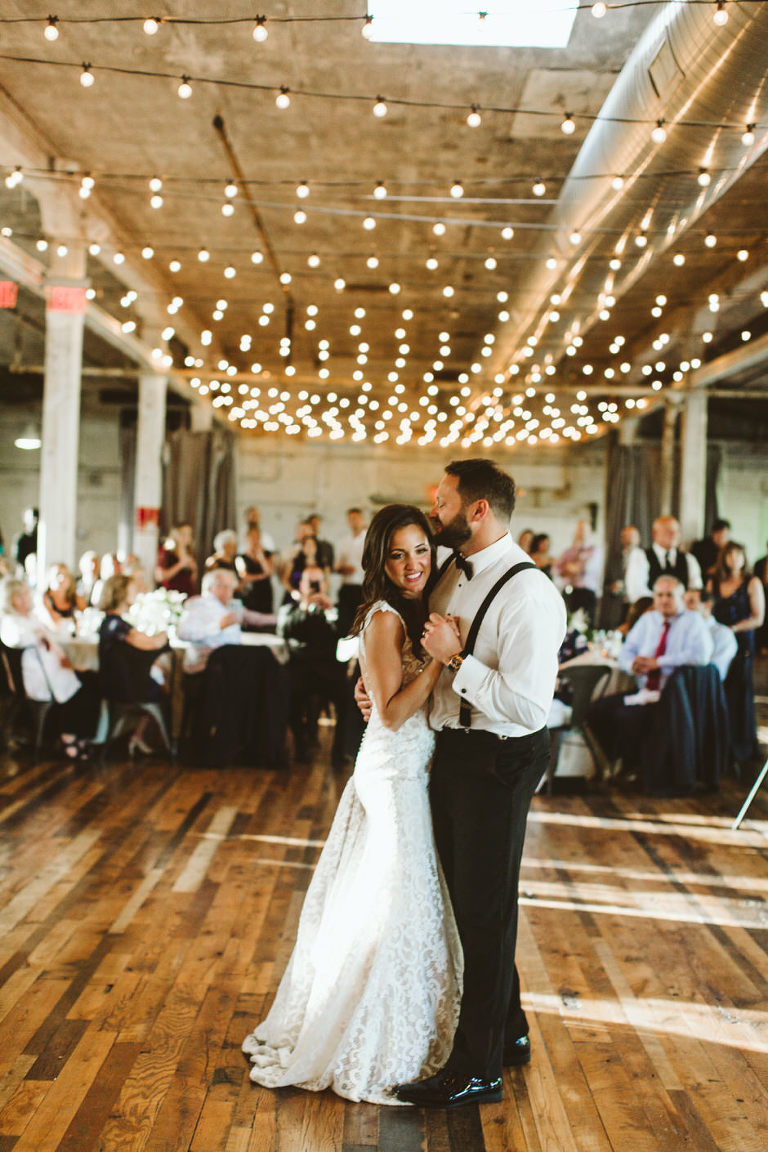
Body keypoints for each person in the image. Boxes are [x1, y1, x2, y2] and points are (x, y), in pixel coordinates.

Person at [242, 504, 462, 1103]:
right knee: (398, 897)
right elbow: (389, 713)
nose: (413, 563)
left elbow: (380, 691)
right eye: (398, 554)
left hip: (406, 764)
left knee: (390, 895)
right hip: (393, 772)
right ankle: (374, 1037)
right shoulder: (385, 617)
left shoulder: (408, 611)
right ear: (380, 561)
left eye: (421, 550)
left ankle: (391, 1022)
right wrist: (442, 659)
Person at [383, 459, 566, 1108]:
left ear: (479, 510)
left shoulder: (529, 595)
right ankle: (509, 1031)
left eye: (444, 502)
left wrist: (454, 659)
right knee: (470, 905)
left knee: (483, 912)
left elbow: (528, 707)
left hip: (499, 759)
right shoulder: (448, 572)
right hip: (451, 754)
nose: (435, 511)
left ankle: (476, 1067)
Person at [588, 576, 713, 777]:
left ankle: (638, 766)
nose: (664, 600)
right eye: (659, 595)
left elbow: (702, 656)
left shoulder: (693, 621)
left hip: (673, 697)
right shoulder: (648, 620)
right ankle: (622, 761)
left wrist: (660, 662)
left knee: (626, 717)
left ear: (680, 597)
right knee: (596, 711)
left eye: (669, 595)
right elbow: (626, 650)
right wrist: (632, 664)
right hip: (644, 690)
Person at [0, 576, 97, 757]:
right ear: (9, 599)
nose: (24, 599)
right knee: (84, 686)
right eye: (18, 596)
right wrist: (37, 636)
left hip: (53, 668)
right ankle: (69, 737)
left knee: (91, 679)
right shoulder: (9, 621)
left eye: (25, 595)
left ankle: (77, 734)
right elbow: (15, 639)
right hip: (37, 675)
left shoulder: (32, 617)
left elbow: (52, 635)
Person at [97, 573, 168, 756]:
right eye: (133, 589)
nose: (136, 593)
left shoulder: (113, 623)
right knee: (163, 688)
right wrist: (164, 633)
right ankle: (147, 737)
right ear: (121, 593)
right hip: (123, 686)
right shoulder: (117, 625)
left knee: (159, 681)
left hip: (119, 682)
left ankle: (137, 735)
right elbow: (153, 643)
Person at [708, 542, 765, 765]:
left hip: (742, 643)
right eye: (730, 555)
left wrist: (732, 629)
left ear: (744, 558)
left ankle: (739, 747)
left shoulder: (752, 582)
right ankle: (717, 744)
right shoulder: (714, 582)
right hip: (717, 644)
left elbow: (758, 618)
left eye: (738, 555)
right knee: (718, 690)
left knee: (738, 692)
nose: (734, 559)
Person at [177, 568, 275, 673]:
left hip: (233, 661)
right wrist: (218, 626)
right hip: (210, 663)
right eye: (223, 586)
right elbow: (182, 632)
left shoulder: (233, 605)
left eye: (231, 587)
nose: (229, 591)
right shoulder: (198, 604)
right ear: (210, 588)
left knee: (265, 656)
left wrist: (283, 617)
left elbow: (256, 618)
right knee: (263, 656)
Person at [625, 516, 702, 603]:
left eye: (676, 531)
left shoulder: (689, 559)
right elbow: (637, 593)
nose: (674, 534)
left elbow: (696, 591)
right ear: (654, 533)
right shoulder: (640, 557)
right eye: (668, 531)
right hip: (649, 612)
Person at [553, 519, 604, 626]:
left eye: (584, 530)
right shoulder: (569, 551)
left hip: (587, 593)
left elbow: (586, 569)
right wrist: (569, 569)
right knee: (568, 622)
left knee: (586, 624)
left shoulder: (595, 551)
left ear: (590, 532)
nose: (581, 533)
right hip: (571, 592)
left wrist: (570, 568)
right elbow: (556, 570)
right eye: (579, 530)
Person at [684, 588, 738, 682]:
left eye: (691, 602)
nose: (685, 607)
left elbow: (716, 673)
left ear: (708, 605)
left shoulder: (723, 634)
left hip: (702, 687)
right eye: (683, 602)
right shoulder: (680, 630)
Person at [334, 507, 367, 636]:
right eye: (351, 519)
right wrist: (343, 568)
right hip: (347, 586)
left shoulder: (368, 539)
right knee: (345, 624)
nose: (354, 522)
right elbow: (336, 566)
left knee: (363, 623)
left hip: (363, 587)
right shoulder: (343, 541)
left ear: (362, 520)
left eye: (356, 519)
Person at [236, 526, 274, 617]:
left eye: (257, 537)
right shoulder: (241, 557)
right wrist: (261, 576)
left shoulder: (267, 555)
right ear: (246, 539)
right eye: (252, 537)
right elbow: (244, 576)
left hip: (265, 591)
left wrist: (261, 557)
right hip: (250, 591)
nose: (254, 540)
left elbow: (269, 571)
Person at [37, 563, 87, 631]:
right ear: (49, 577)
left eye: (65, 575)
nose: (62, 579)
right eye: (58, 575)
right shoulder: (43, 598)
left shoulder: (75, 598)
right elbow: (53, 625)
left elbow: (87, 617)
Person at [155, 523, 198, 597]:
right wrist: (180, 565)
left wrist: (193, 568)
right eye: (183, 534)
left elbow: (193, 578)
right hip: (172, 595)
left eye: (188, 534)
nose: (186, 537)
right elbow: (160, 577)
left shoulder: (190, 553)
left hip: (188, 594)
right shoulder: (168, 553)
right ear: (176, 534)